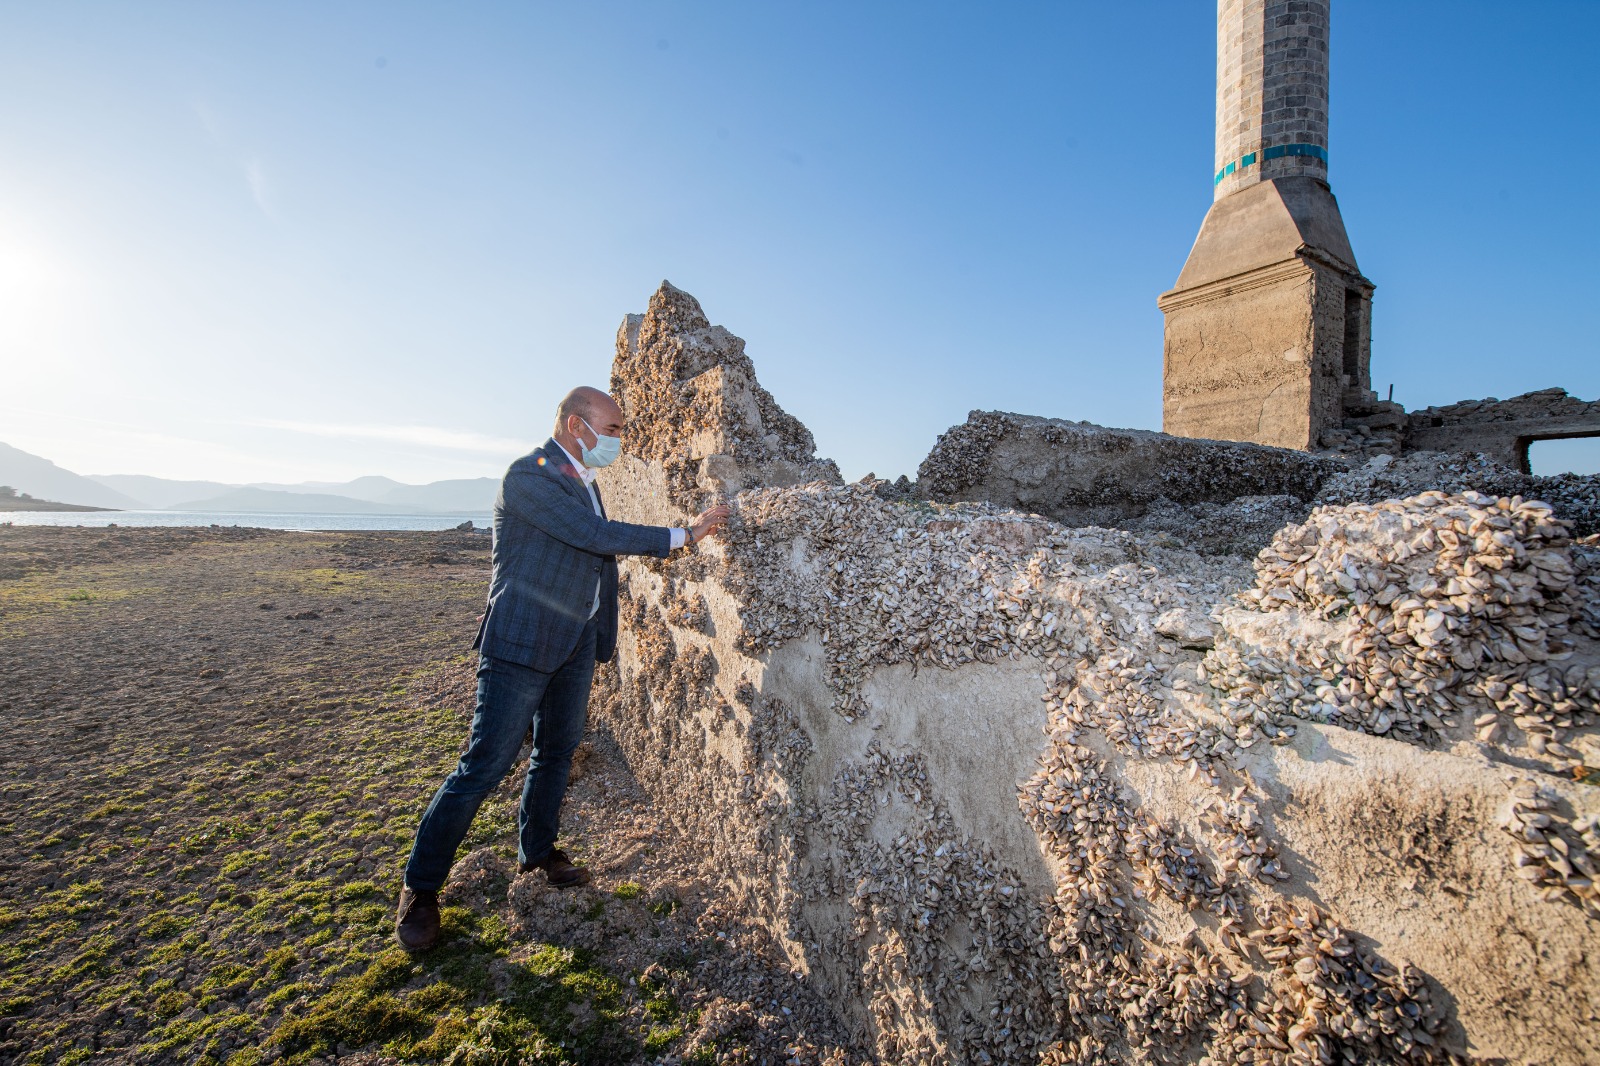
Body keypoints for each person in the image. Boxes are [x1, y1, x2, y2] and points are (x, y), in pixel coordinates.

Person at [395, 386, 729, 952]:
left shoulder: (581, 480)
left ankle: (538, 855)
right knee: (483, 765)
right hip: (522, 645)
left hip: (574, 643)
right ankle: (420, 889)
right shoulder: (530, 477)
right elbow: (595, 538)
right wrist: (686, 534)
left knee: (556, 753)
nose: (620, 440)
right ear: (577, 426)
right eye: (614, 429)